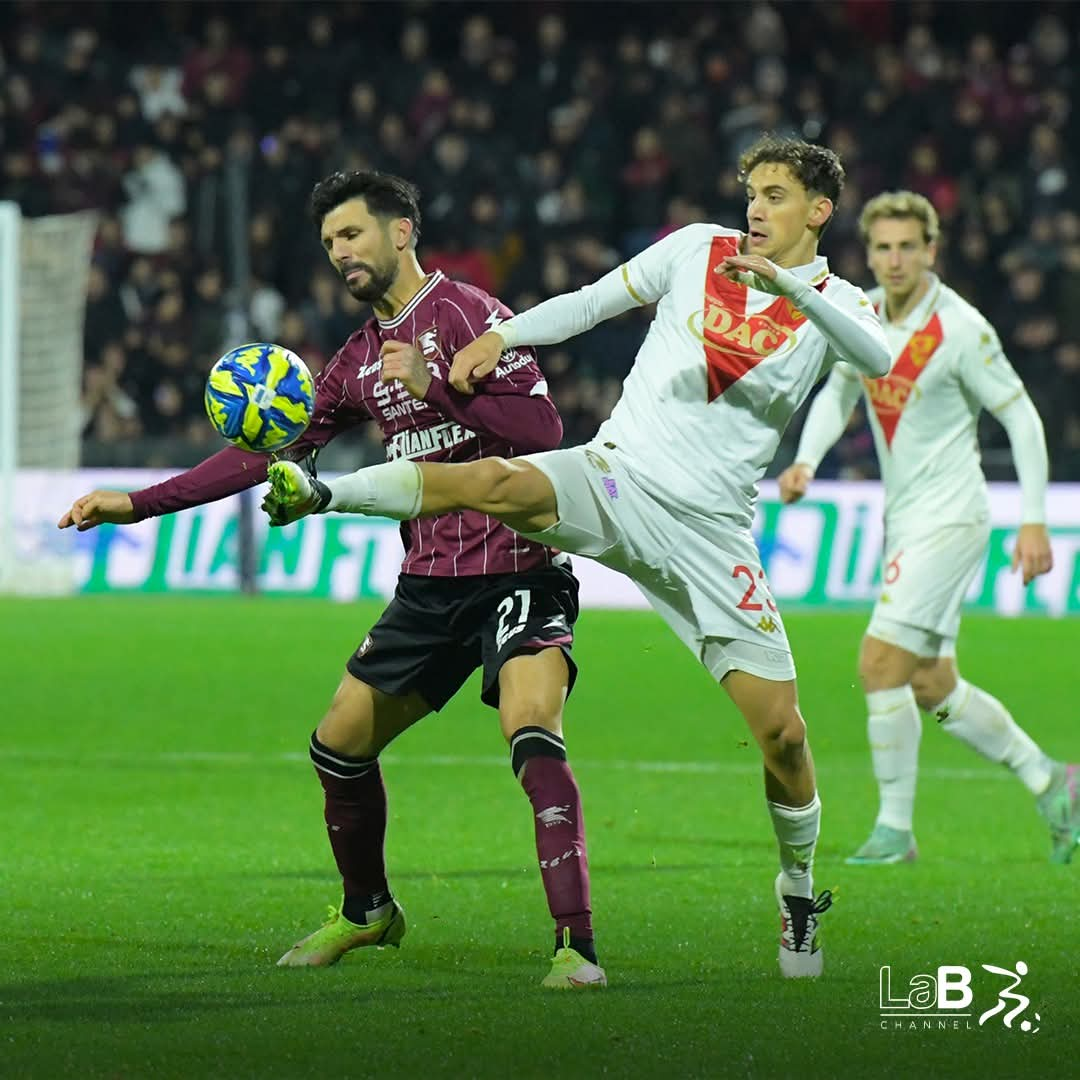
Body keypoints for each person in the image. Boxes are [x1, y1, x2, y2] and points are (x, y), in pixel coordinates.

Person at [263, 136, 893, 978]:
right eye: (751, 192)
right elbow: (594, 302)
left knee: (781, 733)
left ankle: (798, 891)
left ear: (818, 211)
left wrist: (789, 289)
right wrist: (506, 335)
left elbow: (879, 360)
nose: (755, 208)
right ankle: (323, 496)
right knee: (491, 482)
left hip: (712, 532)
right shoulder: (697, 249)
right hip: (619, 475)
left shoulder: (840, 302)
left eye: (776, 196)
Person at [58, 170, 607, 990]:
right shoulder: (354, 362)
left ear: (401, 232)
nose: (340, 253)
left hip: (519, 568)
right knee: (338, 746)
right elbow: (262, 453)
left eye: (352, 235)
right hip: (429, 584)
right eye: (329, 244)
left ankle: (575, 946)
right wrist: (137, 504)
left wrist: (438, 392)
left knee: (531, 732)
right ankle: (368, 913)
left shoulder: (473, 316)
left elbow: (543, 432)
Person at [777, 190, 1078, 866]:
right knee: (931, 682)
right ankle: (1052, 781)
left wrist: (1033, 521)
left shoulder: (962, 328)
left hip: (953, 516)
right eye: (881, 247)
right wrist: (804, 461)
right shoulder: (866, 317)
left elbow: (1022, 418)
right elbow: (841, 392)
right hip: (904, 518)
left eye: (906, 246)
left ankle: (894, 831)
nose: (893, 259)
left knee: (878, 663)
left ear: (930, 250)